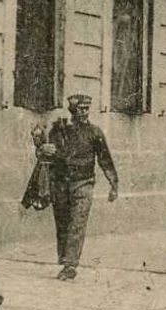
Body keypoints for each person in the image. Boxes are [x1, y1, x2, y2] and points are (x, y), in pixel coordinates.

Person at [39, 93, 119, 281]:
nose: (84, 112)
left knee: (77, 223)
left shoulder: (95, 132)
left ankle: (70, 264)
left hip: (84, 183)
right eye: (80, 109)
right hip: (60, 183)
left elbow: (105, 159)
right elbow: (45, 156)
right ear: (72, 110)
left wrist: (113, 184)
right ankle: (65, 259)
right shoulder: (58, 131)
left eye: (86, 108)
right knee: (63, 223)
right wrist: (41, 150)